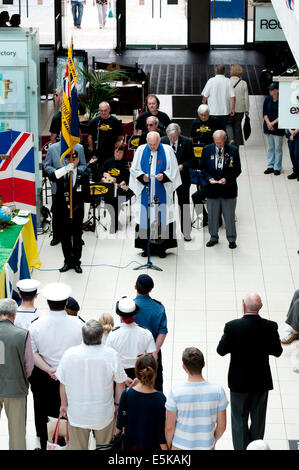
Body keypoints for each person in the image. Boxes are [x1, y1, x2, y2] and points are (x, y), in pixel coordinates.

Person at [216, 292, 283, 450]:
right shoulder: (270, 326)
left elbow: (221, 350)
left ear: (243, 305)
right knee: (258, 420)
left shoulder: (232, 326)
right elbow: (277, 351)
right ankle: (256, 448)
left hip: (239, 382)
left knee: (239, 419)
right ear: (260, 307)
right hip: (261, 381)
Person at [28, 282, 83, 450]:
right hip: (71, 378)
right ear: (66, 303)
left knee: (43, 410)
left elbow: (33, 353)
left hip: (45, 377)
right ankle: (70, 443)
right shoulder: (79, 324)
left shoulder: (35, 325)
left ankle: (45, 443)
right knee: (71, 411)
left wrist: (49, 369)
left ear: (47, 303)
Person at [57, 319, 127, 450]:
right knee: (105, 448)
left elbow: (63, 383)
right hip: (103, 414)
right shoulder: (111, 355)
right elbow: (120, 384)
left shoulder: (69, 354)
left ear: (82, 335)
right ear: (101, 335)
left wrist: (64, 404)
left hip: (77, 413)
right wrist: (117, 404)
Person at [129, 131, 181, 258]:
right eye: (150, 144)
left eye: (155, 144)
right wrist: (143, 177)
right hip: (146, 191)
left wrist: (164, 176)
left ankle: (161, 248)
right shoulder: (141, 150)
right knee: (144, 217)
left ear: (159, 141)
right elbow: (134, 169)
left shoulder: (167, 150)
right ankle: (145, 248)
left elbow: (173, 170)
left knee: (162, 217)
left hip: (161, 189)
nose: (152, 147)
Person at [165, 347, 228, 450]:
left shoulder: (175, 392)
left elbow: (169, 428)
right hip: (207, 445)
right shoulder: (218, 391)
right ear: (204, 364)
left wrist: (168, 446)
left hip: (180, 446)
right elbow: (222, 426)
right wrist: (213, 440)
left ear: (184, 367)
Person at [0, 298, 34, 450]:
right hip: (15, 388)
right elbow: (29, 366)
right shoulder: (23, 334)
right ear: (14, 314)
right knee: (17, 433)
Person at [115, 354, 168, 450]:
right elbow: (160, 433)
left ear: (136, 372)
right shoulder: (160, 398)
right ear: (154, 372)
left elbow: (119, 426)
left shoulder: (126, 394)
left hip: (129, 446)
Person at [200, 129, 241, 249]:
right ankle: (213, 237)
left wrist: (226, 179)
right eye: (216, 143)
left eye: (220, 143)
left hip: (228, 189)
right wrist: (208, 178)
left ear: (225, 139)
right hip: (212, 189)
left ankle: (232, 239)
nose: (218, 145)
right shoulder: (207, 149)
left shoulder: (233, 150)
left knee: (229, 216)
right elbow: (202, 169)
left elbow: (237, 169)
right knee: (212, 216)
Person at [43, 140, 86, 246]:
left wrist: (74, 171)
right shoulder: (52, 148)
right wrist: (62, 171)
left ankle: (77, 236)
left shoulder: (79, 147)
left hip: (75, 187)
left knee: (76, 213)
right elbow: (47, 165)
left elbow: (83, 164)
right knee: (57, 212)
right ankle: (57, 236)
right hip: (59, 187)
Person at [53, 151, 90, 273]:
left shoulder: (83, 175)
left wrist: (86, 214)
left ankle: (76, 262)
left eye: (73, 159)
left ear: (77, 160)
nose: (71, 161)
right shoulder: (61, 173)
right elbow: (51, 177)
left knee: (77, 238)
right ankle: (67, 261)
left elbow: (87, 196)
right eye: (68, 159)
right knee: (65, 238)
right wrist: (64, 169)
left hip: (77, 212)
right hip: (63, 212)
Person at [190, 104, 225, 228]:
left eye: (206, 115)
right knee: (196, 195)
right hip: (200, 153)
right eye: (202, 115)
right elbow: (191, 137)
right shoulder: (195, 123)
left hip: (218, 183)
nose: (204, 117)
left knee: (215, 195)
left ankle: (217, 217)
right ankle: (204, 217)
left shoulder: (215, 122)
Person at [106, 297, 156, 379]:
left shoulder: (113, 335)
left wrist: (124, 378)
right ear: (135, 313)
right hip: (141, 374)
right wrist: (140, 378)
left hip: (120, 374)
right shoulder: (146, 333)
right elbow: (152, 358)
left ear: (120, 315)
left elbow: (109, 358)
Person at [134, 274, 168, 392]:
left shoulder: (129, 308)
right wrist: (154, 351)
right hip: (154, 352)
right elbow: (162, 331)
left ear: (135, 287)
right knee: (156, 385)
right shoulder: (159, 308)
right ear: (150, 289)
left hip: (135, 352)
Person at [161, 123, 194, 241]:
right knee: (167, 205)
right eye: (170, 137)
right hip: (168, 180)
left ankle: (186, 232)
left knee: (184, 205)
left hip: (182, 179)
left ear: (178, 133)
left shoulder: (186, 142)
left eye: (174, 137)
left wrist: (182, 166)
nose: (172, 139)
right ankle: (169, 233)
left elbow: (192, 160)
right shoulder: (162, 141)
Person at [98, 140, 131, 233]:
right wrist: (104, 180)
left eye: (120, 152)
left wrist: (122, 183)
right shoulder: (108, 161)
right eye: (117, 151)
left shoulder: (125, 163)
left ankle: (114, 222)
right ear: (114, 151)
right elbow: (100, 173)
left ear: (123, 153)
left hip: (122, 188)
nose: (118, 154)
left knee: (117, 198)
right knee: (110, 197)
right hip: (109, 187)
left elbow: (128, 178)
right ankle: (115, 221)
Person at [87, 101, 123, 178]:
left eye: (105, 110)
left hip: (111, 153)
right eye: (101, 111)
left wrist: (116, 151)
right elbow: (90, 137)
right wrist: (92, 150)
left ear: (109, 109)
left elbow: (120, 138)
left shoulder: (115, 122)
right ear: (99, 110)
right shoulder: (94, 122)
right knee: (97, 175)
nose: (103, 112)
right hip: (98, 153)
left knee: (109, 174)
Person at [201, 64, 236, 129]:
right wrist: (233, 109)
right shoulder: (228, 81)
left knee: (212, 130)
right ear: (224, 71)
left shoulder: (211, 81)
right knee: (222, 130)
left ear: (216, 70)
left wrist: (204, 106)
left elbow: (205, 96)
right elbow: (233, 96)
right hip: (225, 112)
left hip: (213, 111)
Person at [263, 82, 285, 176]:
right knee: (270, 147)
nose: (270, 91)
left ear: (277, 90)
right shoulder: (267, 99)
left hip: (278, 128)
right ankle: (270, 166)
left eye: (272, 89)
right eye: (270, 89)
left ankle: (277, 167)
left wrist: (273, 123)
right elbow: (264, 113)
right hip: (268, 126)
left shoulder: (283, 100)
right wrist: (268, 123)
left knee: (278, 148)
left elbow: (283, 114)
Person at [226, 65, 249, 147]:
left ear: (231, 72)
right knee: (237, 126)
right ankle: (237, 145)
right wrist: (247, 109)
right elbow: (246, 98)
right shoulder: (243, 83)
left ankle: (231, 139)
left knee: (228, 124)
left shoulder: (227, 82)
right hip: (240, 109)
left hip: (229, 109)